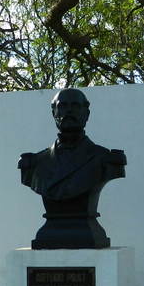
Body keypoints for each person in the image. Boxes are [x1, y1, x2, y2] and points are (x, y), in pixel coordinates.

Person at [19, 88, 126, 248]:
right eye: (62, 106)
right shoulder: (35, 163)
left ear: (87, 114)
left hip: (88, 232)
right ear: (53, 113)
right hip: (50, 233)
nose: (69, 110)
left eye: (75, 106)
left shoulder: (107, 160)